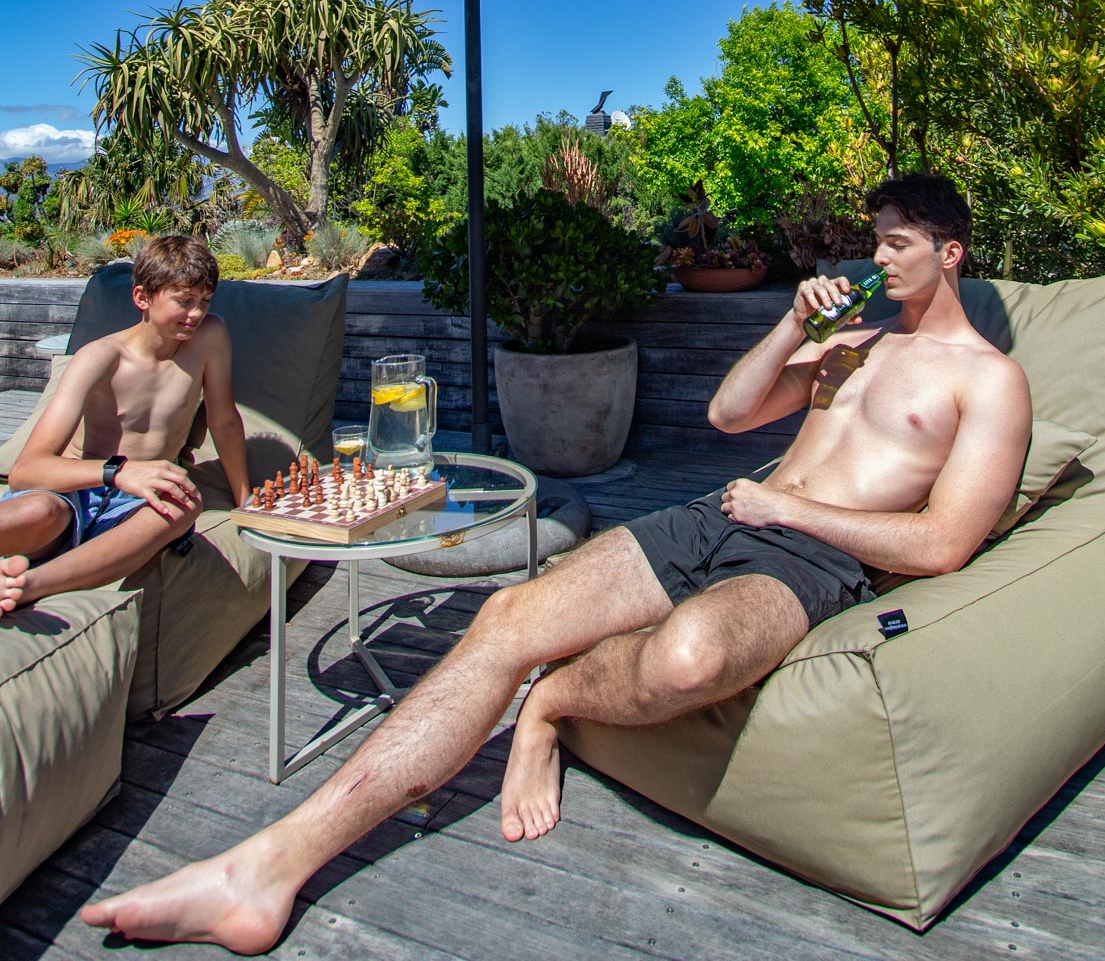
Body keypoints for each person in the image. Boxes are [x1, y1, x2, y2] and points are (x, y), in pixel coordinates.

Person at [80, 174, 1031, 954]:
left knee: (689, 658)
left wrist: (790, 504)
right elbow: (731, 417)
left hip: (813, 560)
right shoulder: (851, 341)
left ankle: (551, 703)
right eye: (876, 240)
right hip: (720, 516)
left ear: (951, 252)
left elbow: (946, 542)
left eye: (898, 243)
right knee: (503, 621)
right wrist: (792, 326)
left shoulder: (989, 381)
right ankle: (270, 866)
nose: (877, 259)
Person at [0, 236, 250, 614]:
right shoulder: (99, 358)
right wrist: (118, 472)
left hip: (136, 504)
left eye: (205, 301)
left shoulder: (210, 337)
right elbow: (26, 472)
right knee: (39, 513)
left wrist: (245, 501)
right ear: (142, 298)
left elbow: (224, 421)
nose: (196, 313)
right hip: (74, 493)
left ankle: (28, 585)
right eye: (184, 301)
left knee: (183, 505)